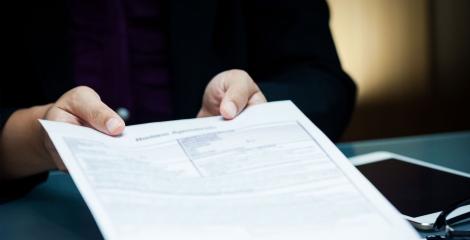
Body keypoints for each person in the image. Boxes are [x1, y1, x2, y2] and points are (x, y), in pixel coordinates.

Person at [0, 0, 356, 200]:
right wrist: (33, 136)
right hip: (48, 202)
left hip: (228, 199)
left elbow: (320, 79)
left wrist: (255, 113)